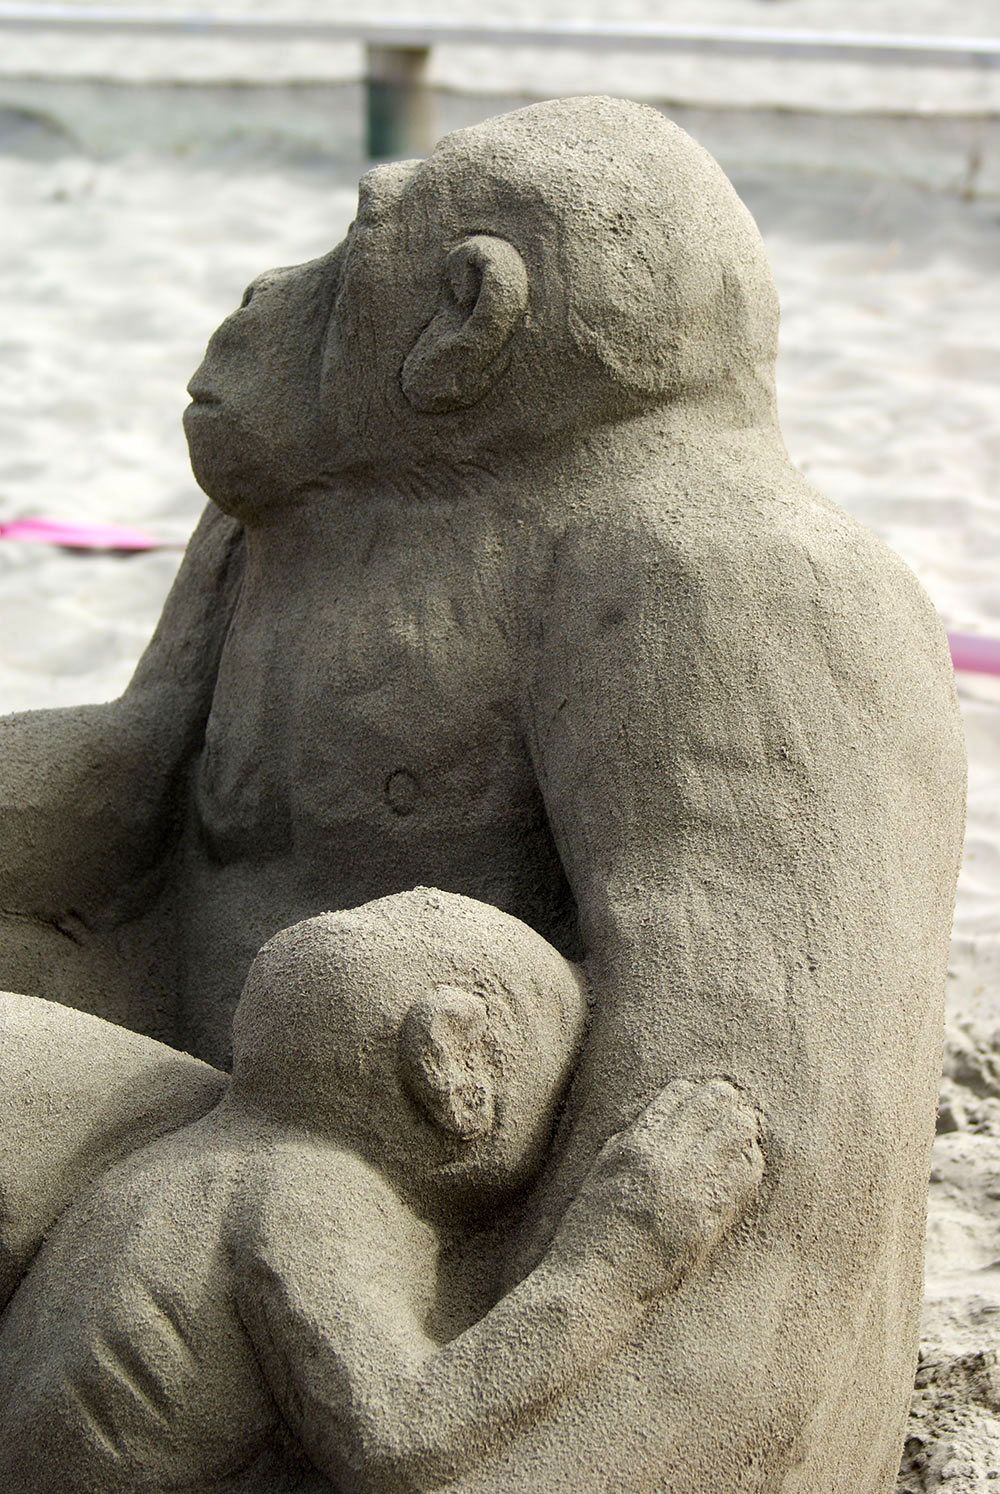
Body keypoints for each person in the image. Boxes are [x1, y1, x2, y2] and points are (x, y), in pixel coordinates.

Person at [0, 97, 966, 1487]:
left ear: (468, 317)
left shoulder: (728, 579)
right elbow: (129, 782)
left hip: (381, 1251)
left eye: (352, 257)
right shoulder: (291, 513)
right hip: (230, 1148)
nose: (274, 294)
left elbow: (762, 1165)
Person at [0, 889, 763, 1492]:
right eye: (546, 1027)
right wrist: (617, 1258)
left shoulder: (187, 1163)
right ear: (454, 1072)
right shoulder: (308, 1196)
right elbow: (395, 1434)